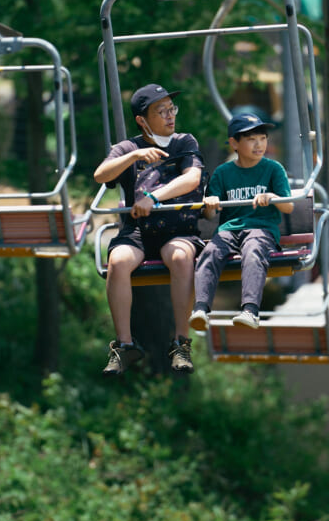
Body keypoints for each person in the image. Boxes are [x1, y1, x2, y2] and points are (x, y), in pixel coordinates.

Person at [93, 83, 204, 376]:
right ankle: (124, 345)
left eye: (172, 109)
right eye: (161, 111)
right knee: (117, 261)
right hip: (139, 232)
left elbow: (192, 178)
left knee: (181, 258)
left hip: (177, 228)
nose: (170, 116)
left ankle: (181, 343)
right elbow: (100, 175)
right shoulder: (128, 148)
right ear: (142, 120)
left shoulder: (184, 143)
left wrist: (153, 198)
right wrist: (133, 157)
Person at [188, 113, 293, 331]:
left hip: (261, 229)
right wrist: (210, 204)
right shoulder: (223, 173)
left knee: (253, 250)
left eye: (262, 138)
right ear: (234, 143)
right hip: (230, 229)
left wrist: (273, 198)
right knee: (210, 252)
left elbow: (289, 206)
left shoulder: (273, 169)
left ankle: (250, 310)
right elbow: (209, 216)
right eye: (251, 139)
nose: (259, 144)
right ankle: (200, 308)